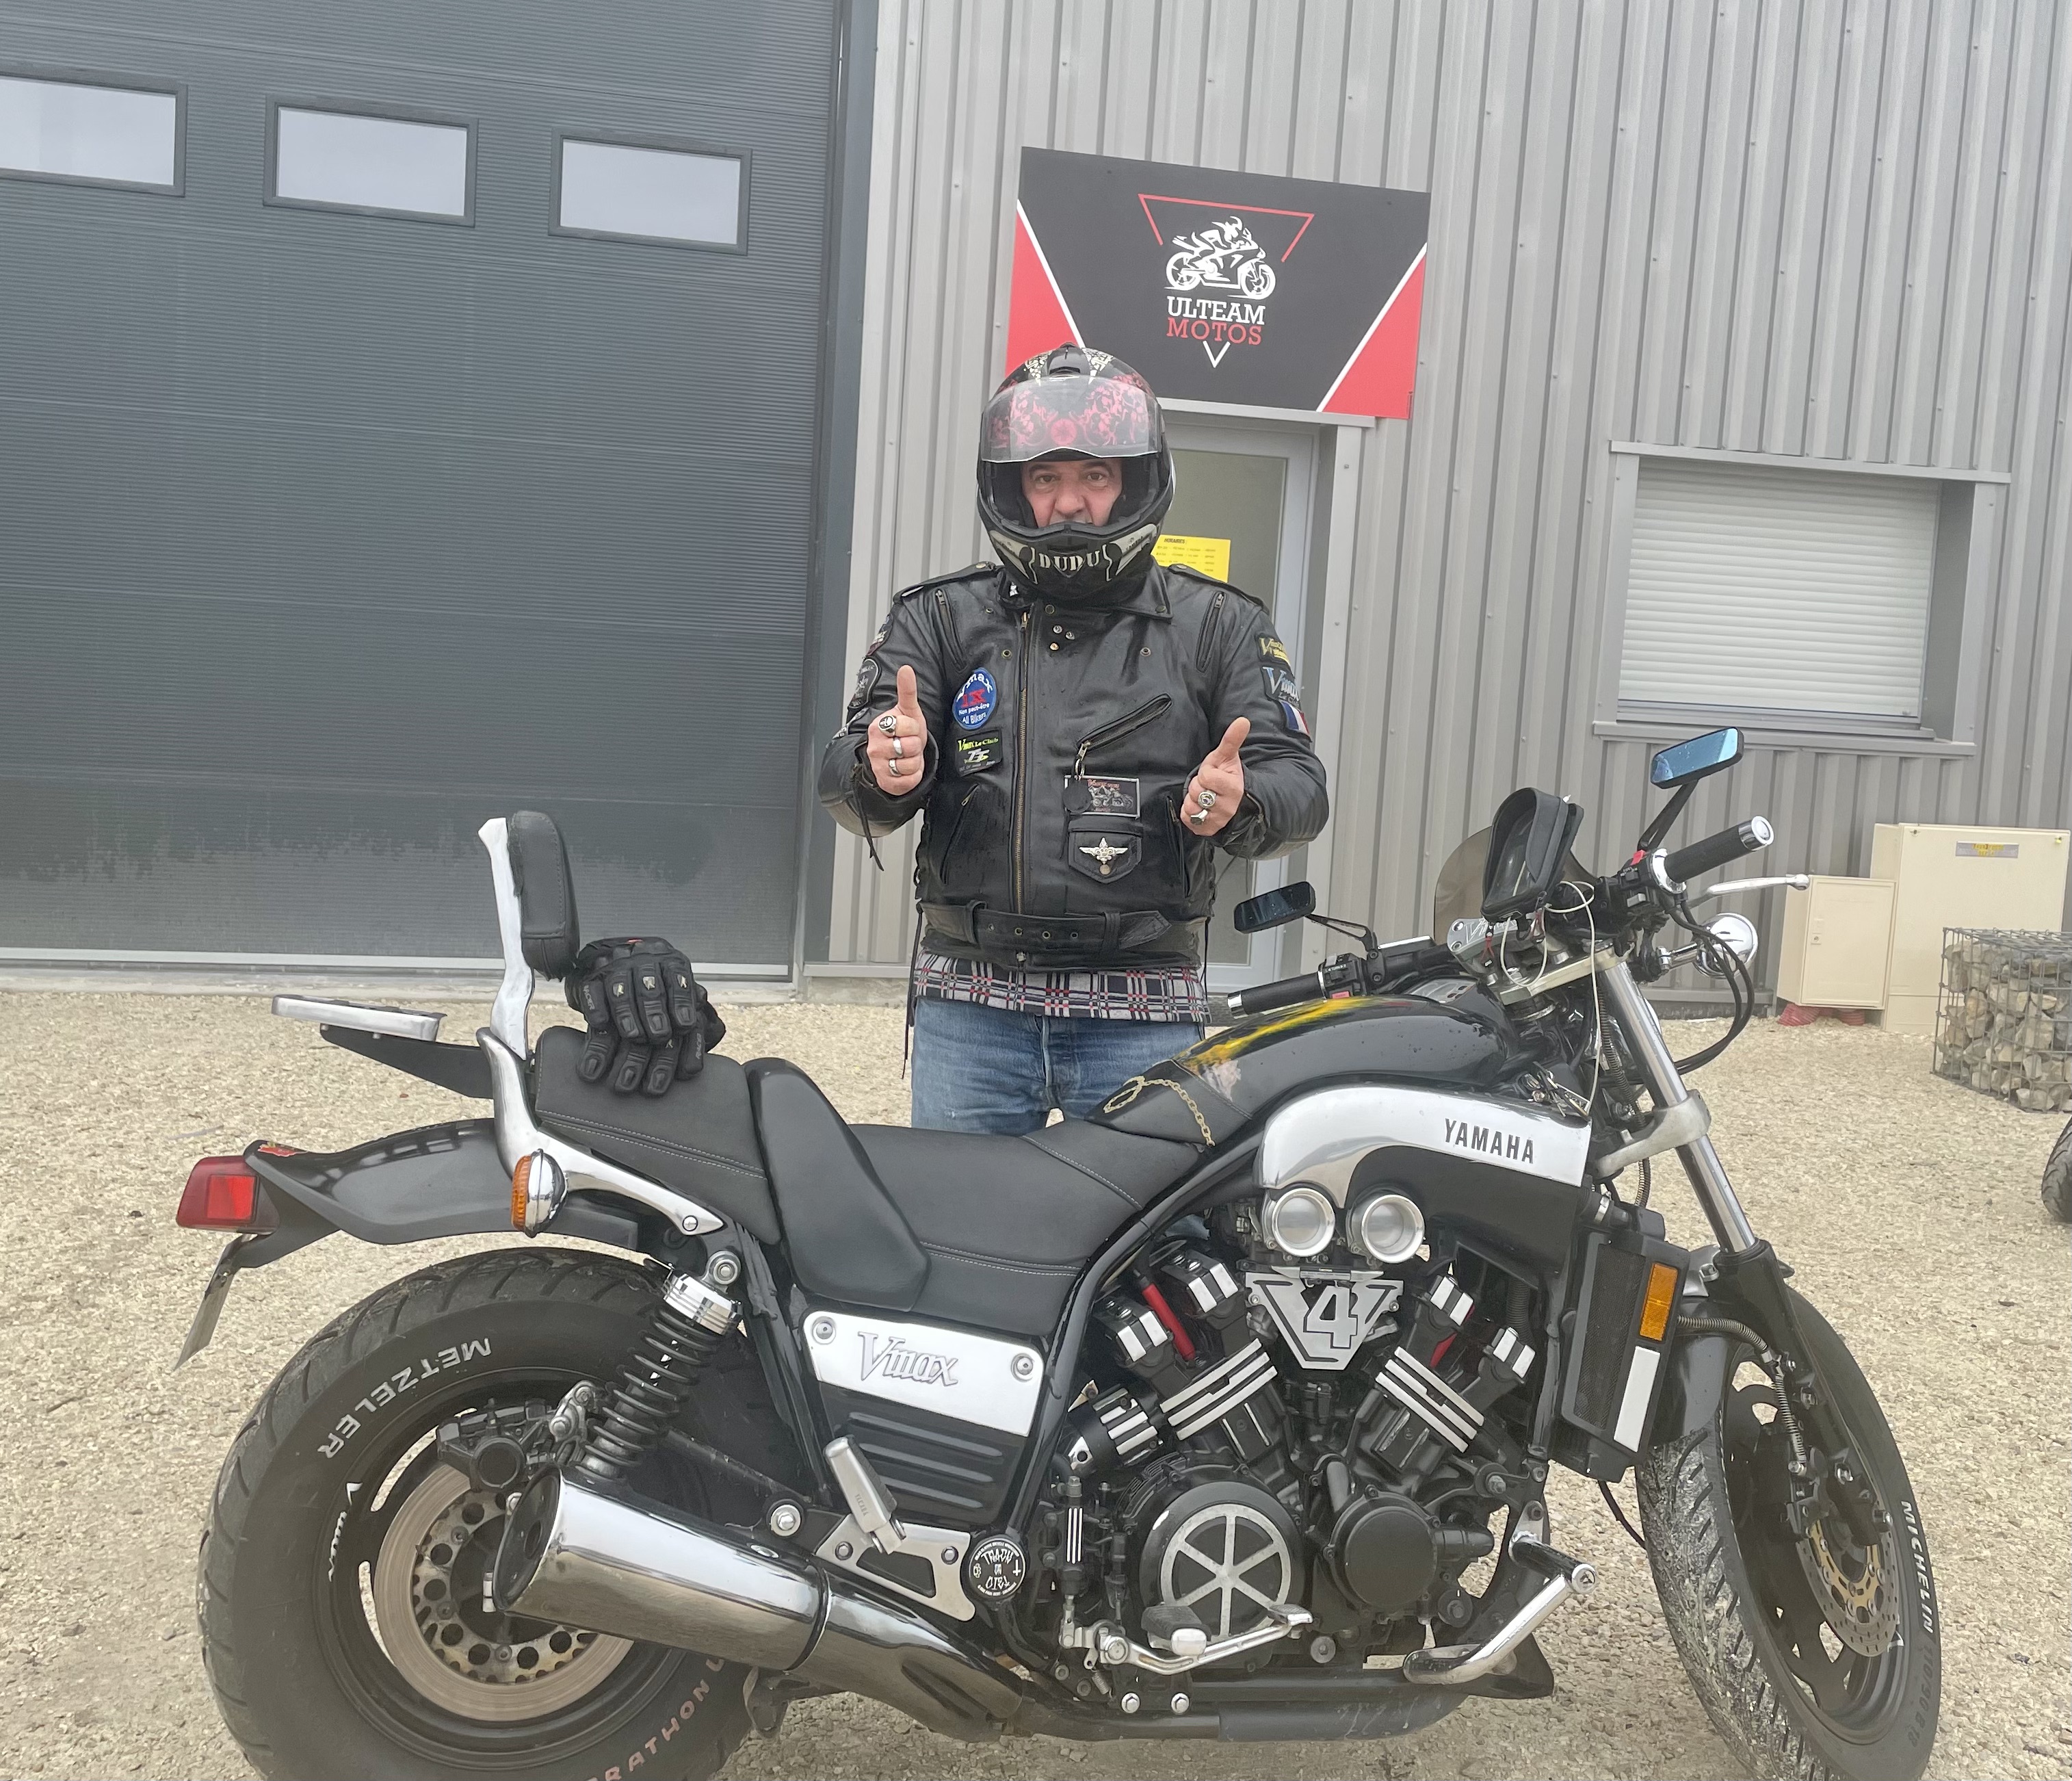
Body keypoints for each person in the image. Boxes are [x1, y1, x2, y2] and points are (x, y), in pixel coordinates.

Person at [819, 343, 1328, 1134]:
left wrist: (1245, 798)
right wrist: (880, 768)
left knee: (1148, 1219)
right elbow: (844, 774)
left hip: (1144, 1006)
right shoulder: (938, 616)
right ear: (1011, 486)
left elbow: (1299, 784)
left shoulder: (1220, 622)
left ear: (1135, 480)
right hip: (972, 1004)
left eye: (1094, 475)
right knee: (955, 1210)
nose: (1067, 503)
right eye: (1044, 477)